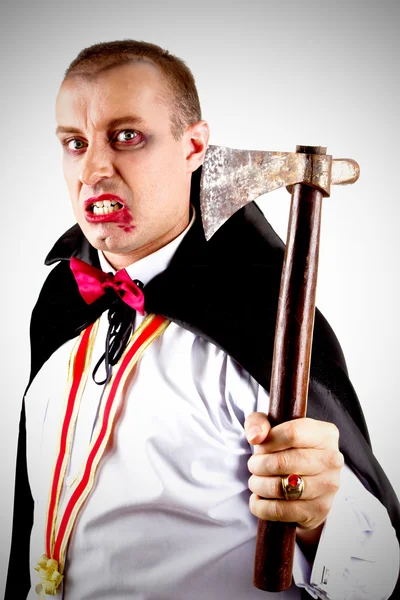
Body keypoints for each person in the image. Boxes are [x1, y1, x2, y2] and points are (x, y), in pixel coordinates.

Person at [6, 40, 400, 600]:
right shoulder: (62, 301)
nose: (93, 168)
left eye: (127, 136)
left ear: (194, 146)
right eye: (75, 143)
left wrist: (320, 518)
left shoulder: (266, 320)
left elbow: (381, 571)